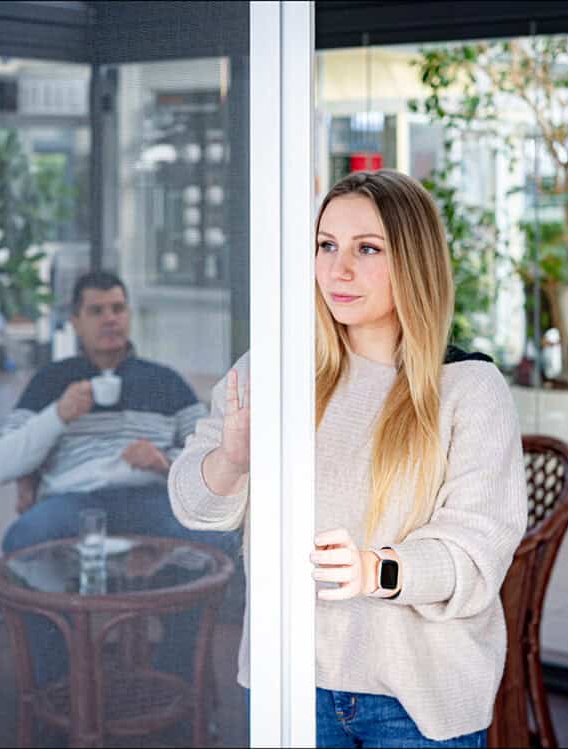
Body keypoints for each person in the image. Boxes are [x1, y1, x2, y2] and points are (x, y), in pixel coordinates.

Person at [168, 169, 528, 748]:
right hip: (288, 679)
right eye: (326, 245)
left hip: (416, 698)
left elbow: (478, 552)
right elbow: (193, 505)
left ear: (413, 262)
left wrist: (375, 570)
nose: (339, 269)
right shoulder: (271, 371)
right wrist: (233, 460)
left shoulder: (466, 388)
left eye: (367, 249)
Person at [0, 270, 236, 686]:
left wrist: (164, 461)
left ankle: (177, 680)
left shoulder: (166, 381)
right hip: (73, 504)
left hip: (154, 500)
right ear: (75, 321)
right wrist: (58, 415)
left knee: (214, 541)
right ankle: (57, 682)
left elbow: (210, 455)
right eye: (97, 310)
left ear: (129, 315)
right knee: (22, 541)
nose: (110, 319)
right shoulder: (52, 380)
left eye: (118, 308)